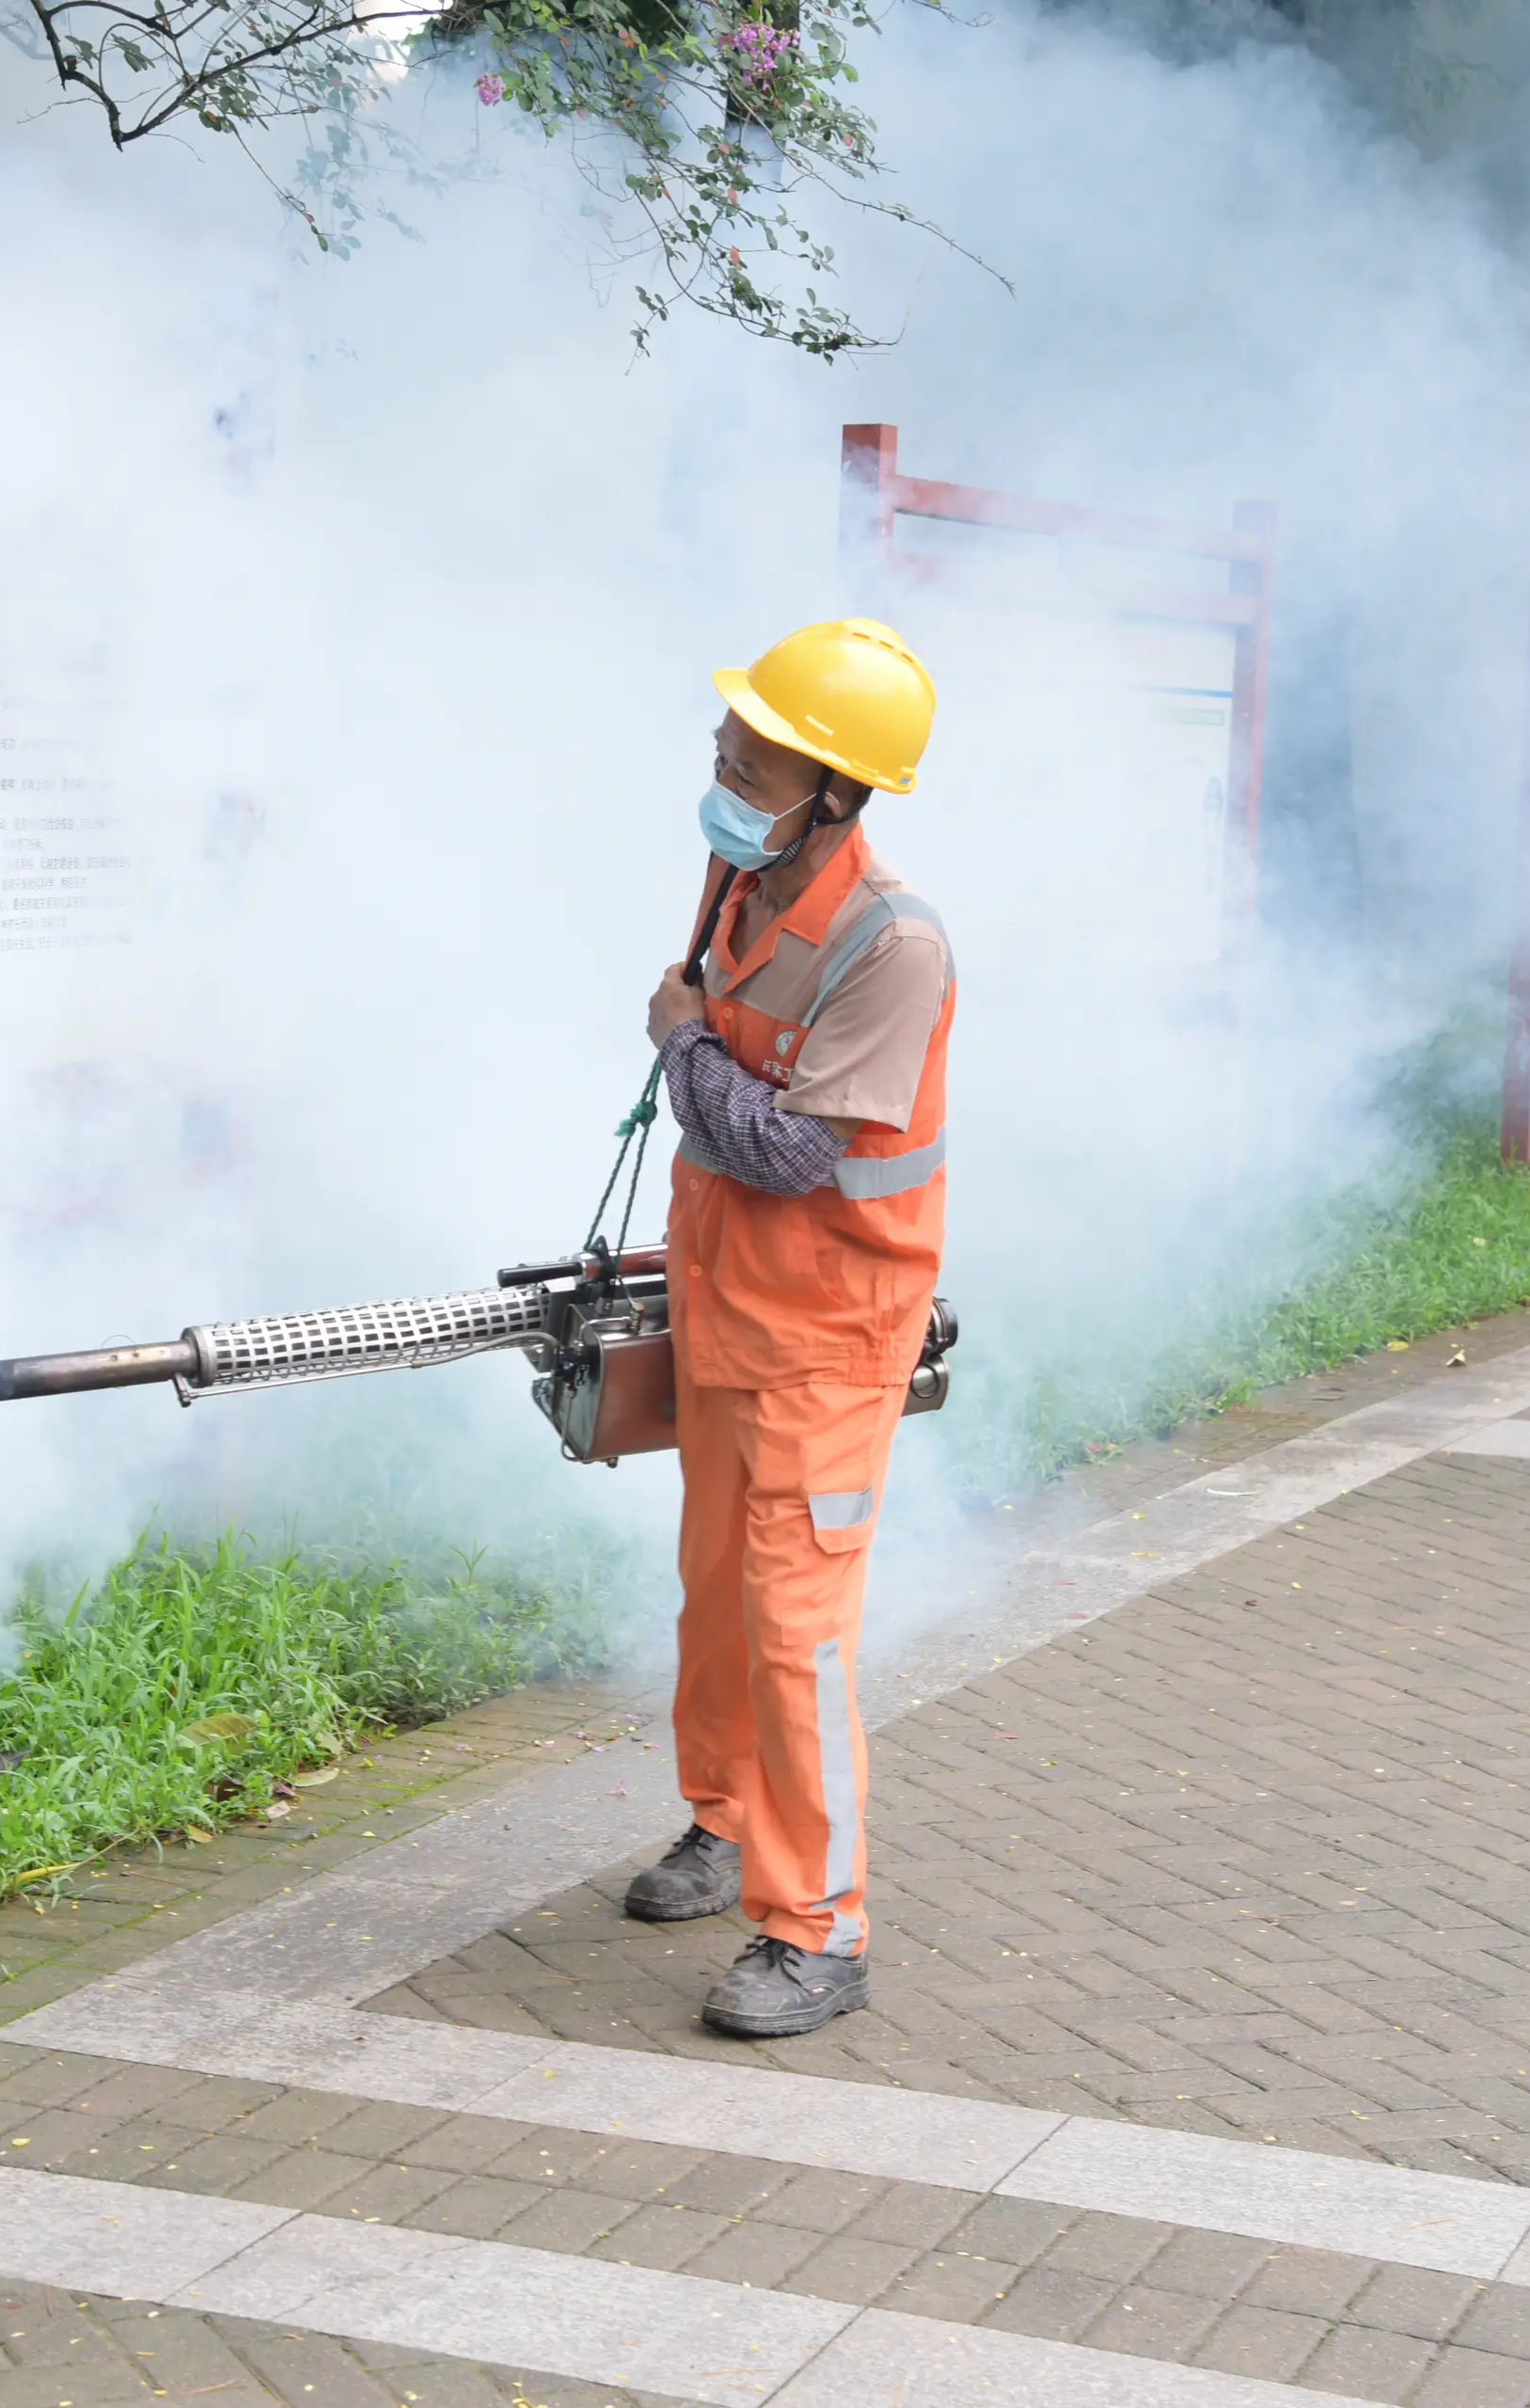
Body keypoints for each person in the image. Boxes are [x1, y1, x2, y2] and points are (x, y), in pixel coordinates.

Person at [628, 617, 952, 2040]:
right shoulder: (740, 876)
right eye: (724, 747)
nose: (719, 771)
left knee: (795, 1632)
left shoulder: (896, 948)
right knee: (717, 1604)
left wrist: (680, 1042)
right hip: (726, 1319)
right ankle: (721, 1824)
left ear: (832, 785)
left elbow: (784, 1153)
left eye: (745, 758)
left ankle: (817, 1926)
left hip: (829, 1339)